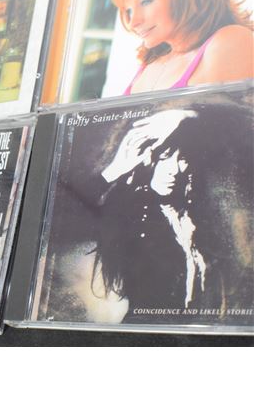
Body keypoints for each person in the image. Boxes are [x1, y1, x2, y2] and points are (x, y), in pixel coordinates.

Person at [89, 103, 253, 324]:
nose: (175, 168)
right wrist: (113, 171)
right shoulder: (136, 217)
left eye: (183, 157)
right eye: (166, 155)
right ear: (146, 160)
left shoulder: (201, 215)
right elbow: (61, 220)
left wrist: (186, 116)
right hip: (149, 333)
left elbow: (242, 127)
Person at [111, 0, 253, 95]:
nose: (133, 22)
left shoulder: (231, 41)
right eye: (128, 10)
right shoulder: (152, 61)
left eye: (146, 1)